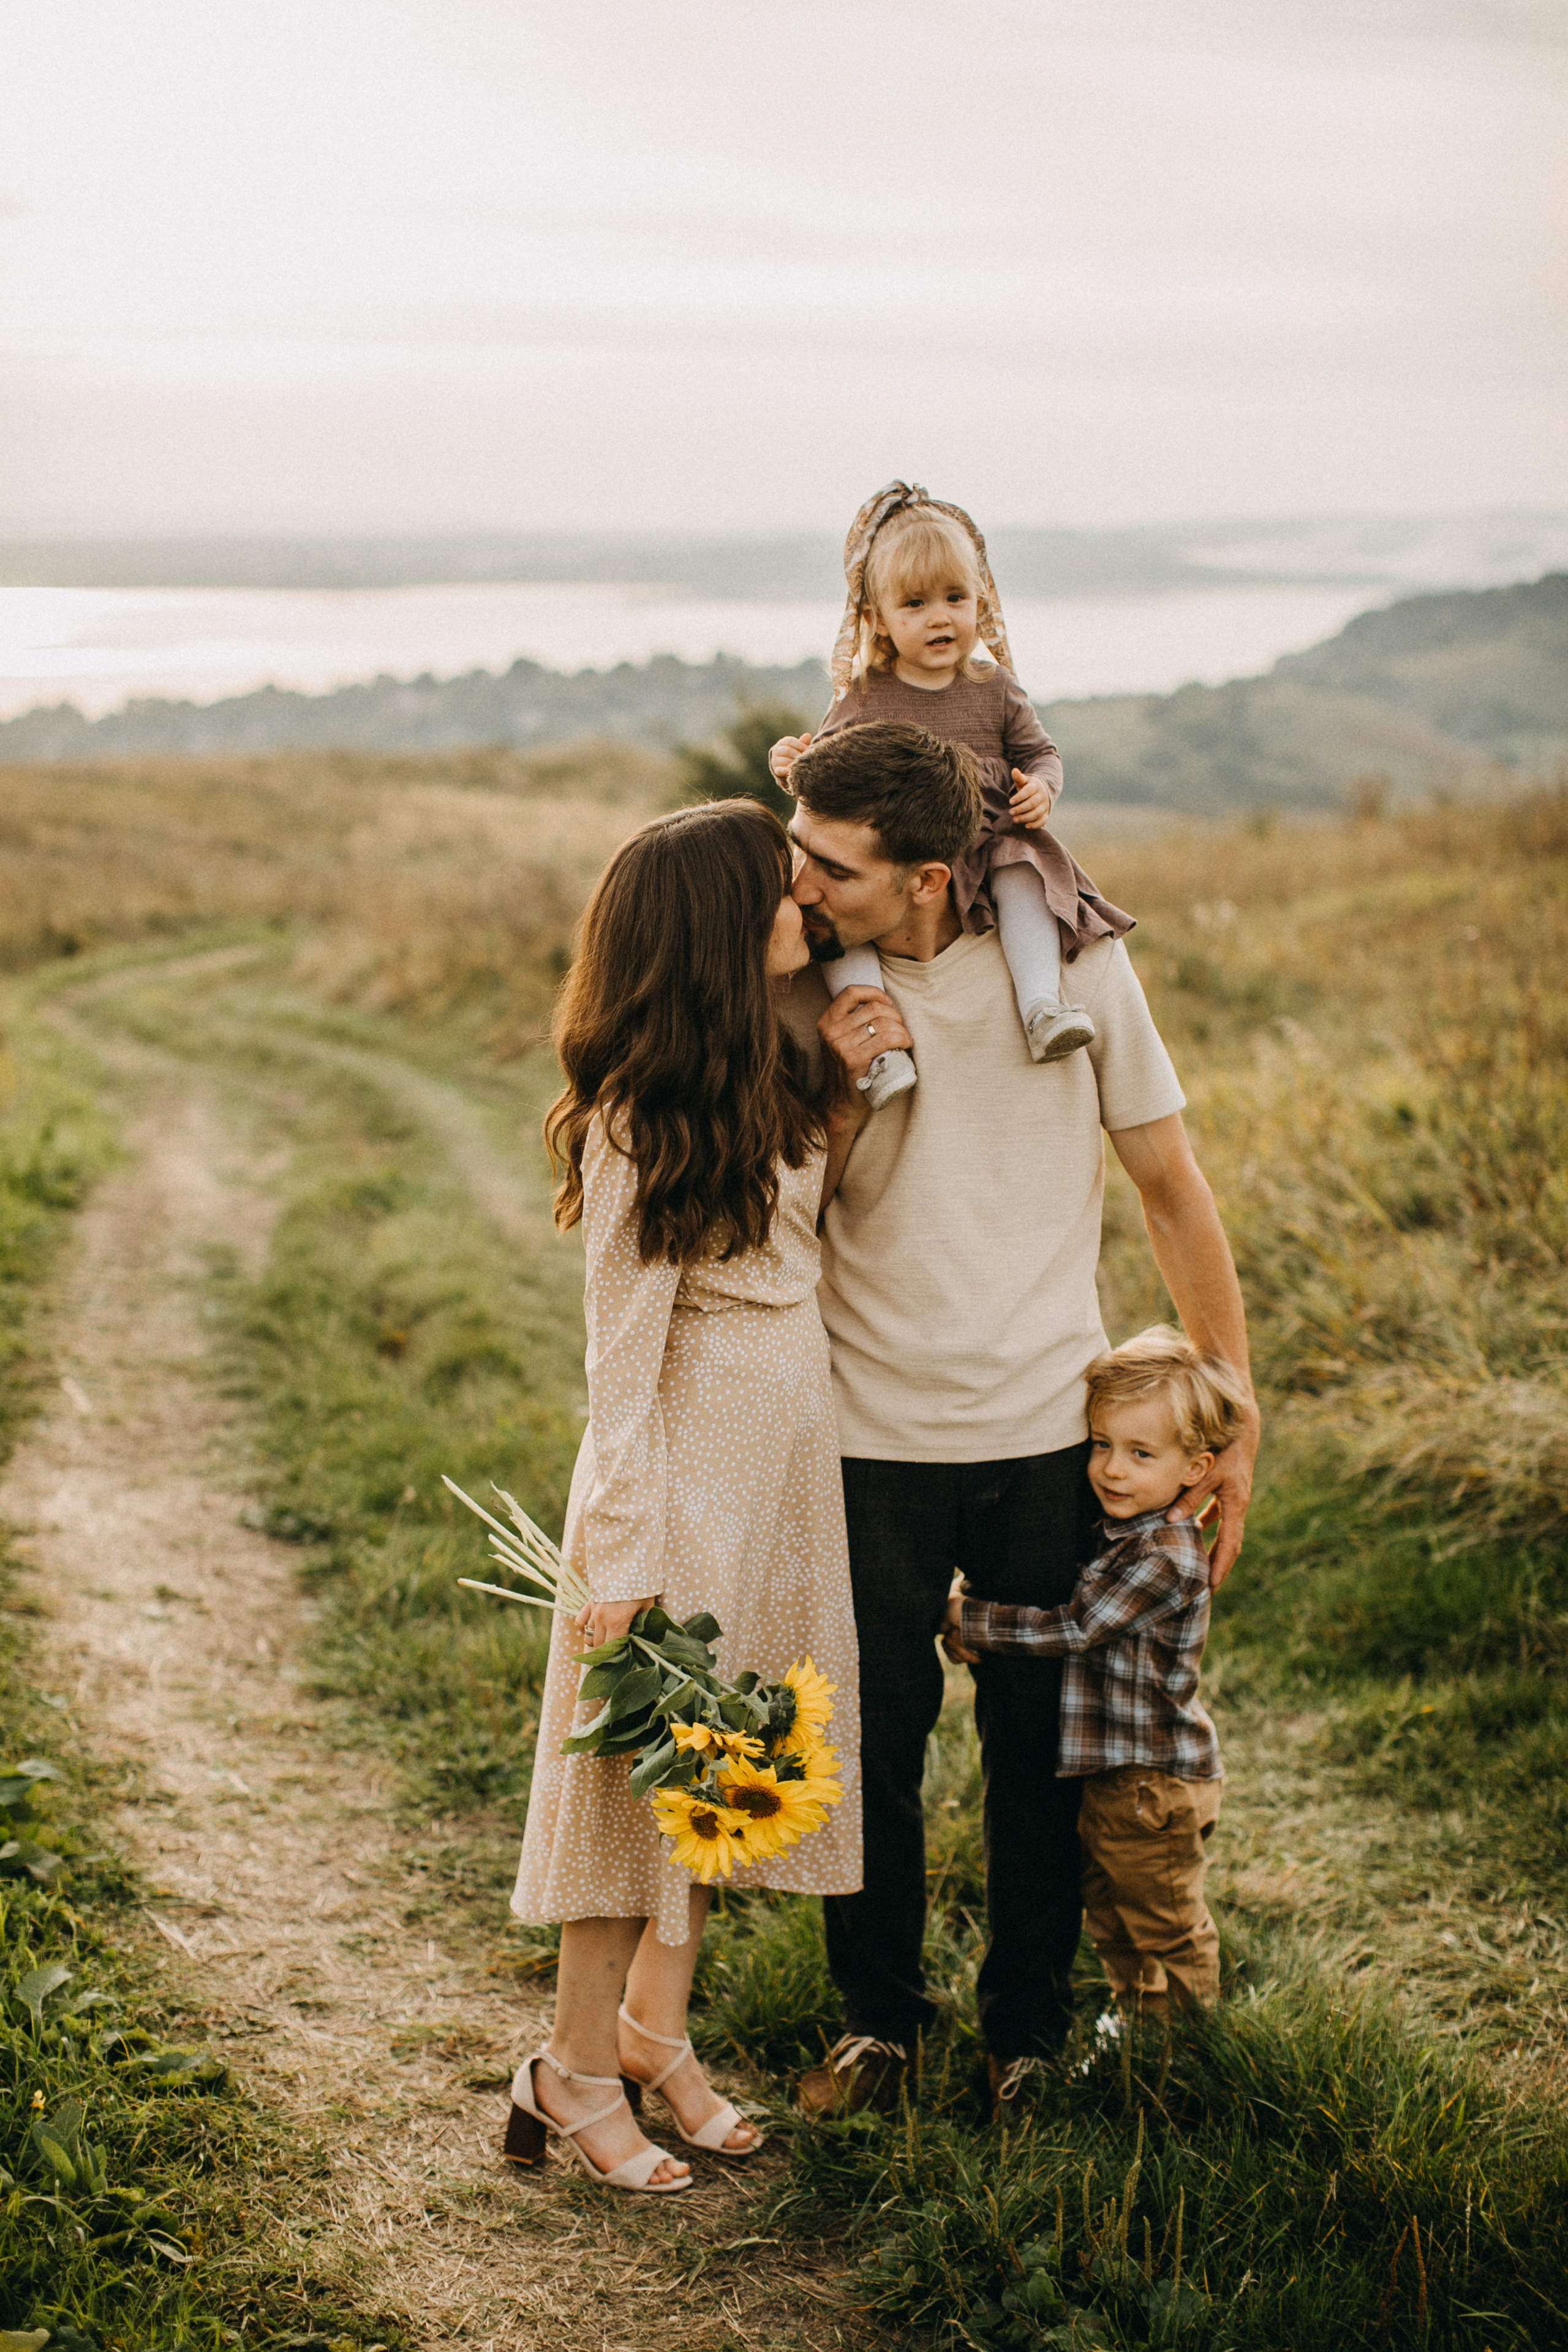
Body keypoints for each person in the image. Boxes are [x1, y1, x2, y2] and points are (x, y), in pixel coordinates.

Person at [775, 717, 1261, 2121]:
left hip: (1048, 1431)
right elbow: (766, 1220)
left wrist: (1229, 1416)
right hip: (863, 1430)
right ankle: (875, 2022)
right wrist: (838, 1086)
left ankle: (1025, 2038)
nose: (800, 883)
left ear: (928, 873)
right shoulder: (805, 974)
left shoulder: (1078, 968)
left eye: (833, 866)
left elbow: (1172, 1186)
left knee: (1038, 1750)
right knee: (869, 1737)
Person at [506, 797, 863, 2192]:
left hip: (778, 1488)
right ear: (720, 930)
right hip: (677, 1506)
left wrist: (840, 1085)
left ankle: (654, 2032)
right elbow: (619, 1369)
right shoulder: (636, 1123)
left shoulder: (768, 1072)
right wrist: (622, 1562)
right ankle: (570, 2068)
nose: (809, 905)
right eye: (785, 889)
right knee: (628, 1808)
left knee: (720, 1791)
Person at [769, 480, 1133, 1109]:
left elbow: (1039, 754)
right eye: (915, 604)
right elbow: (825, 783)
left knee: (1025, 872)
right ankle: (880, 1051)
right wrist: (788, 764)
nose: (940, 617)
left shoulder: (994, 688)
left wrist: (1042, 790)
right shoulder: (865, 695)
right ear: (878, 618)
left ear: (980, 602)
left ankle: (1041, 1005)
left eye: (955, 598)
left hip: (988, 842)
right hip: (901, 859)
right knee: (846, 925)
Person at [941, 1326, 1251, 2021]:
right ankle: (1138, 2034)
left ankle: (1188, 2056)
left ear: (1196, 1468)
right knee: (1112, 1914)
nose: (1112, 1469)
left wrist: (967, 1617)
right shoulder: (1126, 1530)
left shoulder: (1163, 1555)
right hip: (1117, 1776)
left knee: (1164, 1925)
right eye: (1102, 1445)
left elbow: (1075, 1627)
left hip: (1151, 1780)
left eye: (1140, 1454)